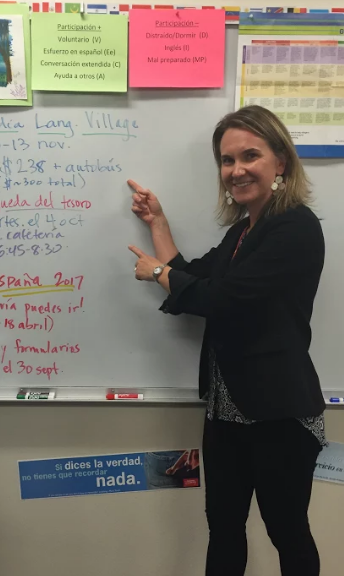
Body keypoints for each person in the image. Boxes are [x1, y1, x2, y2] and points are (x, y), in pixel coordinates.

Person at [128, 105, 325, 576]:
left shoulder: (295, 227)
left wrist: (156, 272)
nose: (236, 170)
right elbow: (195, 276)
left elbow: (223, 298)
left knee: (287, 531)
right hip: (226, 411)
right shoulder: (243, 230)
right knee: (223, 529)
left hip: (278, 413)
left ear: (281, 161)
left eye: (249, 156)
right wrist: (158, 224)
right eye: (226, 160)